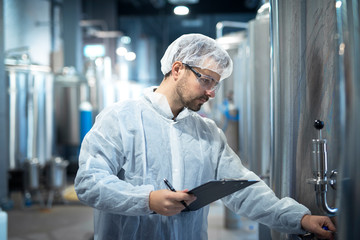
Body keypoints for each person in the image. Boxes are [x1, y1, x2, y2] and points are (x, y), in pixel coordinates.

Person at [74, 33, 336, 240]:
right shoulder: (120, 118)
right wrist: (147, 200)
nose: (212, 92)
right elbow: (89, 182)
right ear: (177, 69)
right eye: (206, 80)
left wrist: (299, 219)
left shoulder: (207, 132)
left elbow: (242, 189)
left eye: (216, 84)